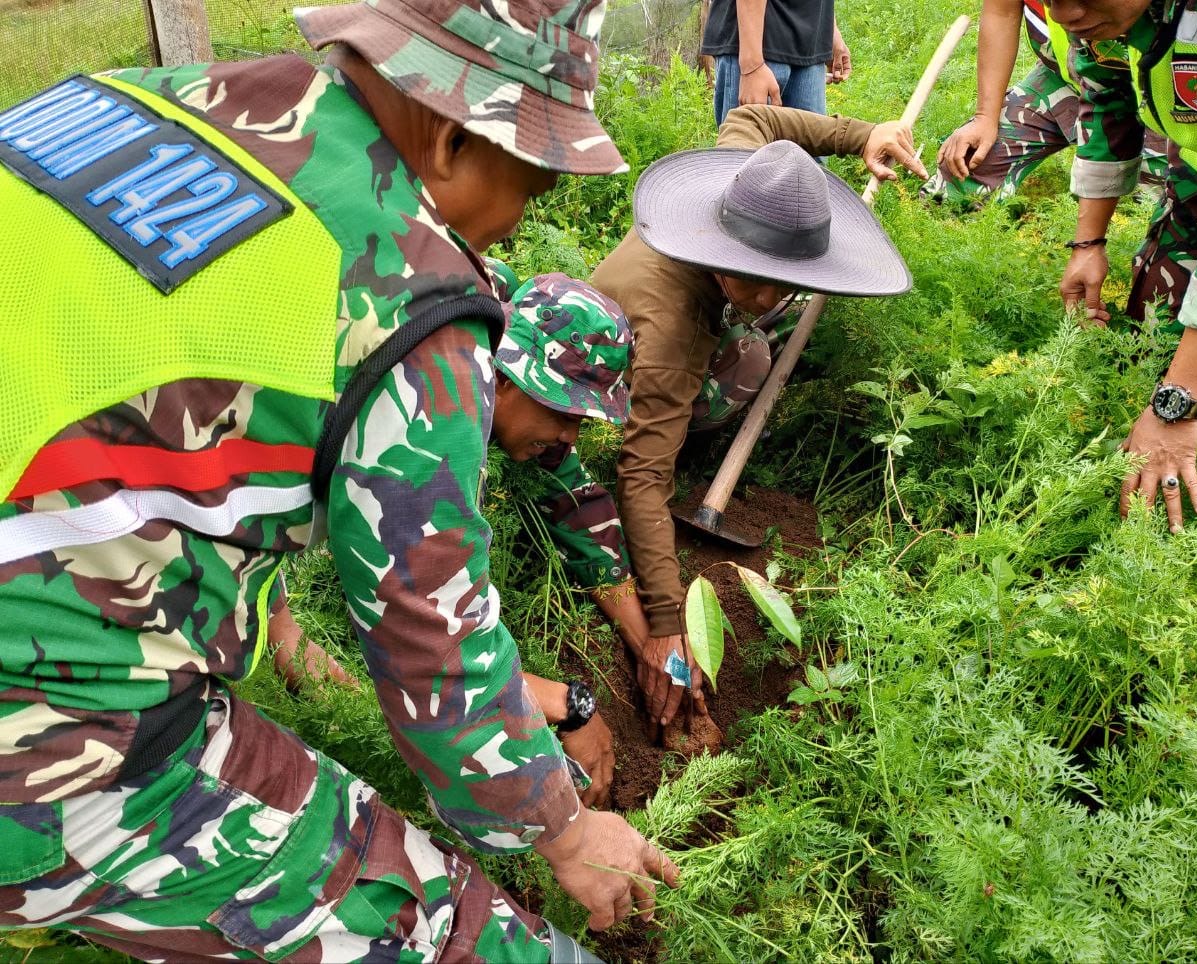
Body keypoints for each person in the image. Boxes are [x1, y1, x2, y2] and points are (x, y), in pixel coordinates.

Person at [0, 0, 678, 959]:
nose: (513, 228)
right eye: (532, 187)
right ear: (451, 136)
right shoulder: (409, 294)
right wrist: (563, 830)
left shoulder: (139, 103)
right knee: (472, 942)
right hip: (43, 725)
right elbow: (430, 642)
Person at [591, 105, 927, 731]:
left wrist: (862, 137)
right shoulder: (675, 332)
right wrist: (666, 625)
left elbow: (755, 115)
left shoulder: (748, 177)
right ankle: (691, 429)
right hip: (620, 370)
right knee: (750, 357)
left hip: (666, 324)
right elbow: (640, 476)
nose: (775, 296)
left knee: (754, 330)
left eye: (786, 280)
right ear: (720, 253)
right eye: (757, 281)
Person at [271, 271, 641, 809]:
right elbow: (428, 627)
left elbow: (574, 496)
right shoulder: (429, 430)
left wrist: (649, 637)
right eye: (564, 414)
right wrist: (568, 704)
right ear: (508, 378)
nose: (568, 436)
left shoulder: (488, 318)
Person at [1048, 0, 1197, 532]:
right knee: (1151, 316)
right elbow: (1107, 105)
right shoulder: (1111, 17)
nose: (1064, 13)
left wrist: (1178, 407)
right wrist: (1088, 242)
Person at [923, 0, 1167, 204]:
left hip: (1160, 87)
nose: (1059, 13)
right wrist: (985, 117)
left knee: (1158, 197)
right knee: (967, 164)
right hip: (1066, 80)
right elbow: (1002, 12)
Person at [700, 0, 852, 125]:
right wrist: (752, 64)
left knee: (808, 160)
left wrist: (831, 30)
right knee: (746, 156)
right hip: (757, 46)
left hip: (810, 44)